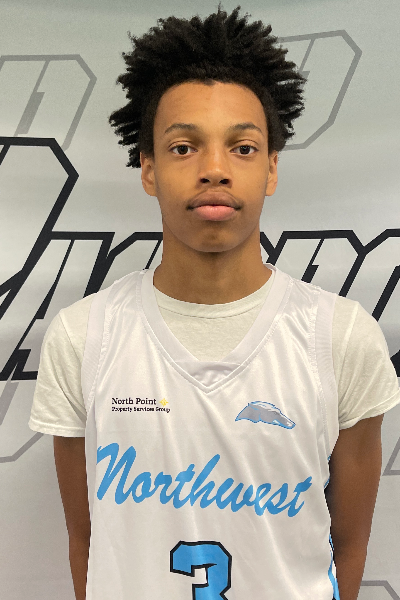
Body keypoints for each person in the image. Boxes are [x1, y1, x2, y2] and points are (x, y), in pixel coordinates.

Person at [29, 5, 400, 600]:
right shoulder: (83, 335)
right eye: (183, 147)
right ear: (148, 170)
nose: (215, 170)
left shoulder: (341, 336)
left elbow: (350, 543)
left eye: (243, 148)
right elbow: (87, 541)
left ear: (271, 169)